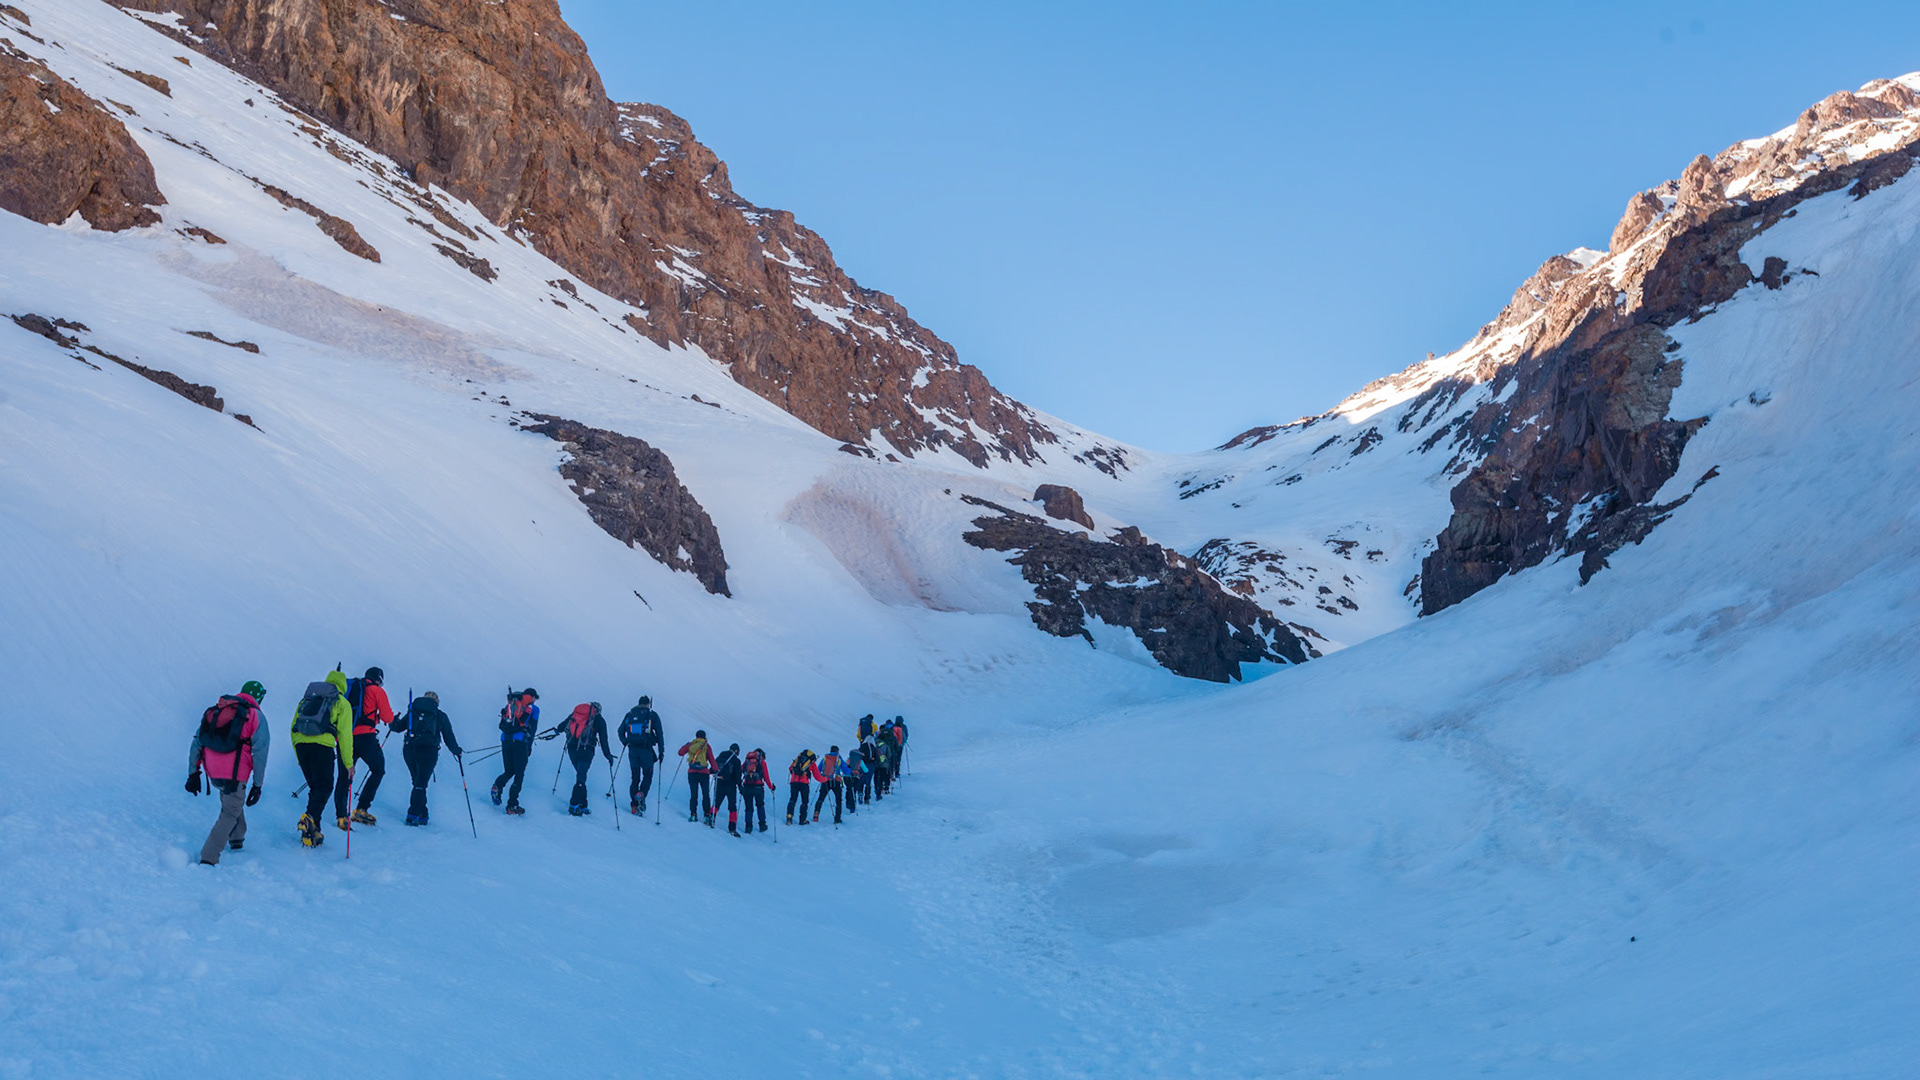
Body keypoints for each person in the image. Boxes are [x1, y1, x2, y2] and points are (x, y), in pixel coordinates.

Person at [186, 681, 268, 865]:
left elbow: (197, 742)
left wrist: (193, 773)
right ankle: (209, 857)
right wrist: (257, 785)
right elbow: (260, 753)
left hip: (213, 771)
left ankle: (237, 839)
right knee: (230, 812)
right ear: (258, 697)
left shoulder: (219, 710)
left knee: (231, 801)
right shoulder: (255, 716)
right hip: (235, 773)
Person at [290, 672, 354, 847]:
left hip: (302, 747)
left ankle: (313, 832)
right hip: (322, 747)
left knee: (316, 788)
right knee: (325, 786)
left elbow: (293, 727)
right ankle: (309, 817)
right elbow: (345, 736)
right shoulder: (341, 703)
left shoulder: (307, 700)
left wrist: (298, 755)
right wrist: (348, 763)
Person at [335, 666, 396, 827]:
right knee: (378, 769)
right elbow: (387, 717)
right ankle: (361, 808)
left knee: (344, 775)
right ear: (379, 679)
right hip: (366, 736)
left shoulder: (352, 687)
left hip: (345, 737)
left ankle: (341, 816)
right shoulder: (377, 691)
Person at [391, 691, 462, 826]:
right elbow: (449, 737)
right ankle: (413, 814)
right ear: (436, 702)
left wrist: (393, 720)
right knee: (421, 784)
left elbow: (397, 728)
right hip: (429, 751)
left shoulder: (413, 712)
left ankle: (423, 814)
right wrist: (456, 751)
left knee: (417, 781)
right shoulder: (440, 715)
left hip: (410, 749)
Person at [546, 702, 614, 816]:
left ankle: (583, 804)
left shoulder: (576, 714)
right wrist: (608, 755)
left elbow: (561, 727)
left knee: (581, 775)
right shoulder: (599, 720)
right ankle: (573, 805)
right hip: (586, 750)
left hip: (572, 749)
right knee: (581, 777)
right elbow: (603, 739)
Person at [493, 688, 540, 816]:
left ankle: (497, 785)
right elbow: (533, 729)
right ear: (532, 697)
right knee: (519, 773)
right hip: (520, 742)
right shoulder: (534, 709)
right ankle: (512, 804)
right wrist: (529, 747)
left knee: (509, 770)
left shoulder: (510, 705)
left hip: (505, 740)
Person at [617, 696, 665, 815]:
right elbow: (659, 733)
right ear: (648, 704)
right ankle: (641, 794)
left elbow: (620, 730)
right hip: (646, 750)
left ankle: (634, 805)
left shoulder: (630, 714)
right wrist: (661, 751)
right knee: (647, 775)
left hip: (632, 750)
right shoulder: (651, 715)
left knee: (635, 777)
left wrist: (625, 741)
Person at [678, 730, 716, 823]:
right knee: (706, 794)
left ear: (696, 736)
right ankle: (707, 815)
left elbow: (680, 753)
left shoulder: (691, 745)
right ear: (704, 737)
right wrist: (715, 769)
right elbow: (712, 759)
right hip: (704, 773)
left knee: (693, 794)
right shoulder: (707, 746)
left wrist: (685, 745)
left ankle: (693, 814)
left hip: (692, 773)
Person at [711, 743, 743, 835]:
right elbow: (738, 776)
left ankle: (711, 819)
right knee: (732, 807)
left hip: (720, 782)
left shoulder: (721, 755)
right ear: (736, 751)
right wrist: (740, 787)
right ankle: (732, 828)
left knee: (716, 802)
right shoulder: (736, 760)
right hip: (731, 786)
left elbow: (715, 767)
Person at [741, 747, 774, 834]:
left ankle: (748, 826)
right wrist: (771, 787)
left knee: (748, 807)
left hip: (747, 786)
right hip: (758, 787)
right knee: (760, 805)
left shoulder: (747, 760)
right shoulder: (762, 762)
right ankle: (762, 825)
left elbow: (741, 769)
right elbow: (766, 776)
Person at [813, 745, 846, 824]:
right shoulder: (839, 759)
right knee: (838, 799)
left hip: (825, 780)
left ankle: (816, 815)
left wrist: (822, 776)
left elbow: (818, 769)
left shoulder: (825, 758)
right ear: (837, 751)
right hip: (836, 781)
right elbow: (846, 770)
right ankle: (837, 818)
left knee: (821, 798)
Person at [786, 749, 817, 826]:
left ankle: (789, 817)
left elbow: (790, 768)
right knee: (804, 801)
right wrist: (824, 779)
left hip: (794, 782)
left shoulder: (798, 759)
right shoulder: (810, 762)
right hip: (804, 783)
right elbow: (817, 775)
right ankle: (802, 819)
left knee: (793, 799)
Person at [890, 715, 908, 780]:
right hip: (900, 745)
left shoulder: (893, 726)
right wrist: (904, 742)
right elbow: (906, 735)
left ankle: (892, 771)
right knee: (898, 758)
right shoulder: (904, 727)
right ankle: (897, 772)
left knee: (893, 758)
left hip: (893, 745)